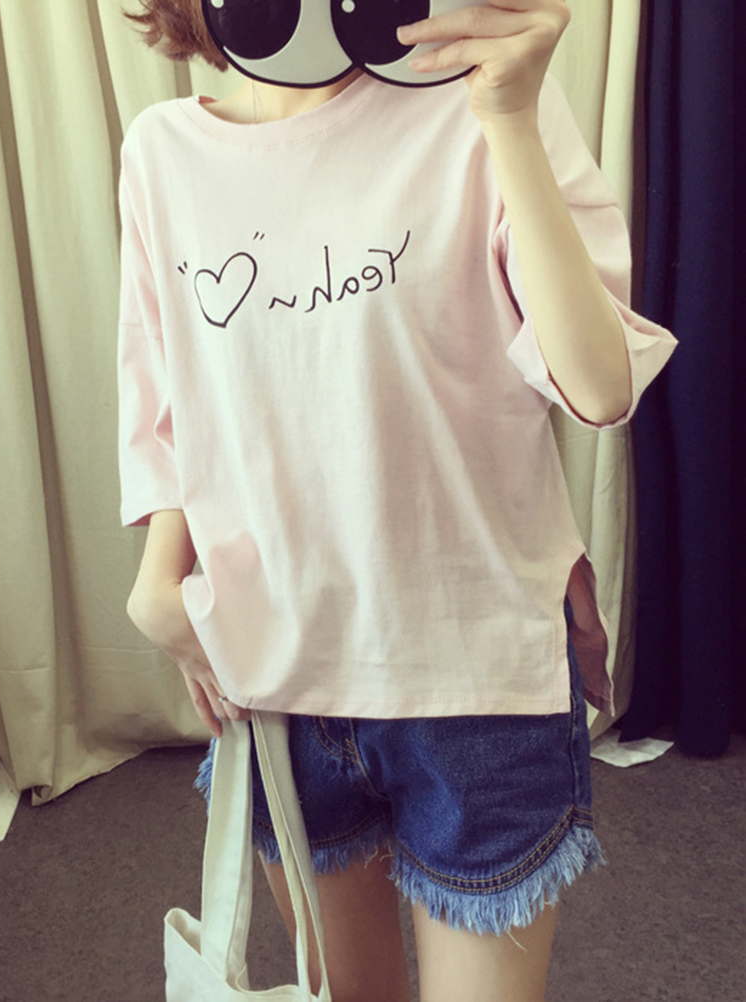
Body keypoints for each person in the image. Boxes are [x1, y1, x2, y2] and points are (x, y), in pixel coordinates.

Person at [117, 3, 676, 999]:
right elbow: (171, 401)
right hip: (279, 683)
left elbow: (599, 385)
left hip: (476, 685)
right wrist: (159, 585)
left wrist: (510, 118)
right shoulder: (164, 154)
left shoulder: (485, 105)